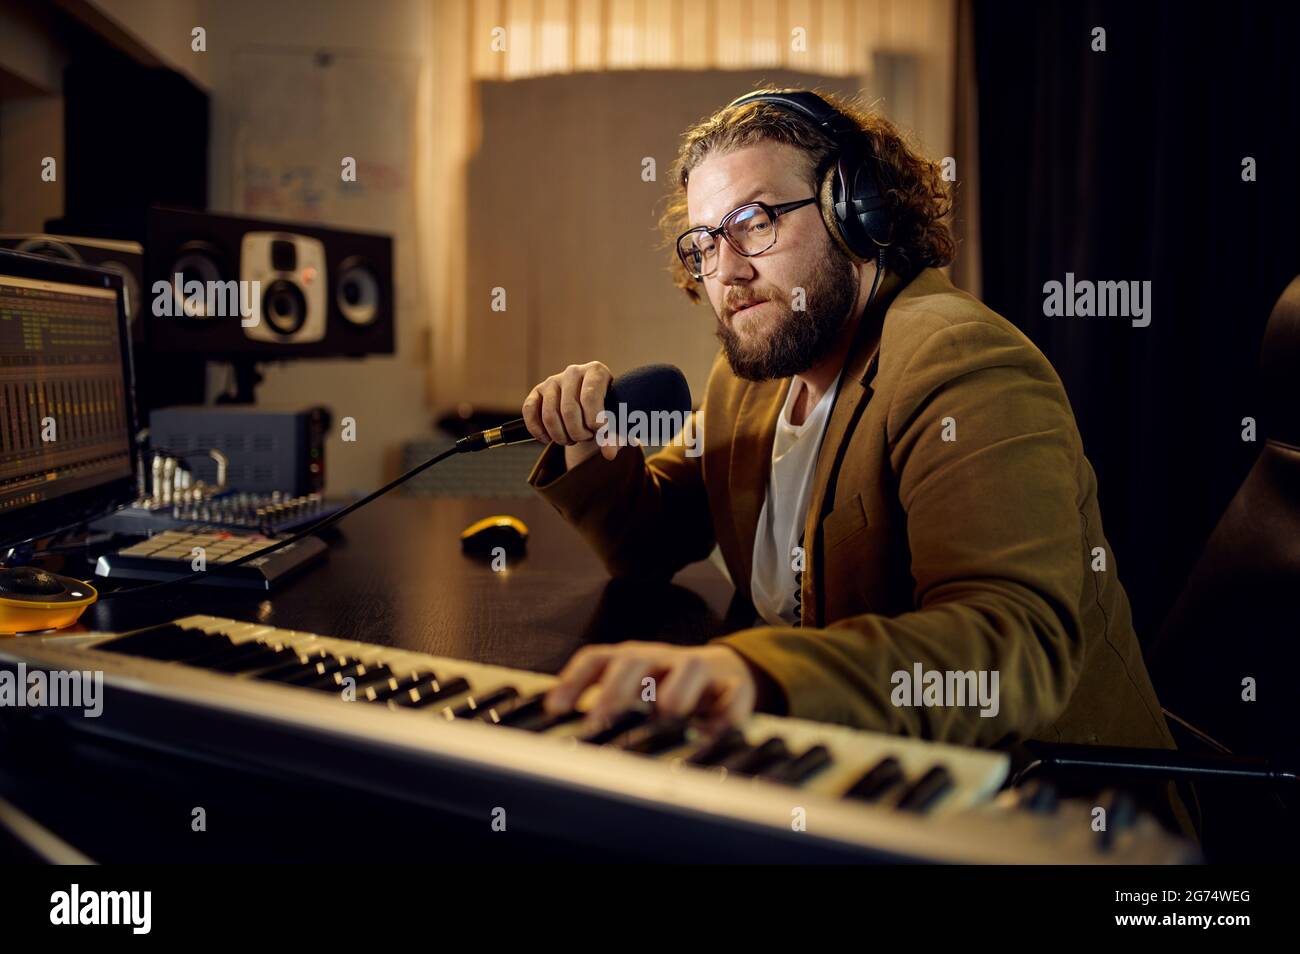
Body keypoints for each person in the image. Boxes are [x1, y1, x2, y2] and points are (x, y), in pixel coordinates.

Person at [521, 89, 1190, 831]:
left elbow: (1012, 650)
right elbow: (649, 541)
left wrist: (759, 671)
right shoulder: (752, 379)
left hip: (1041, 812)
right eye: (706, 243)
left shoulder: (960, 361)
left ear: (857, 210)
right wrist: (582, 434)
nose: (727, 272)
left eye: (754, 223)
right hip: (845, 783)